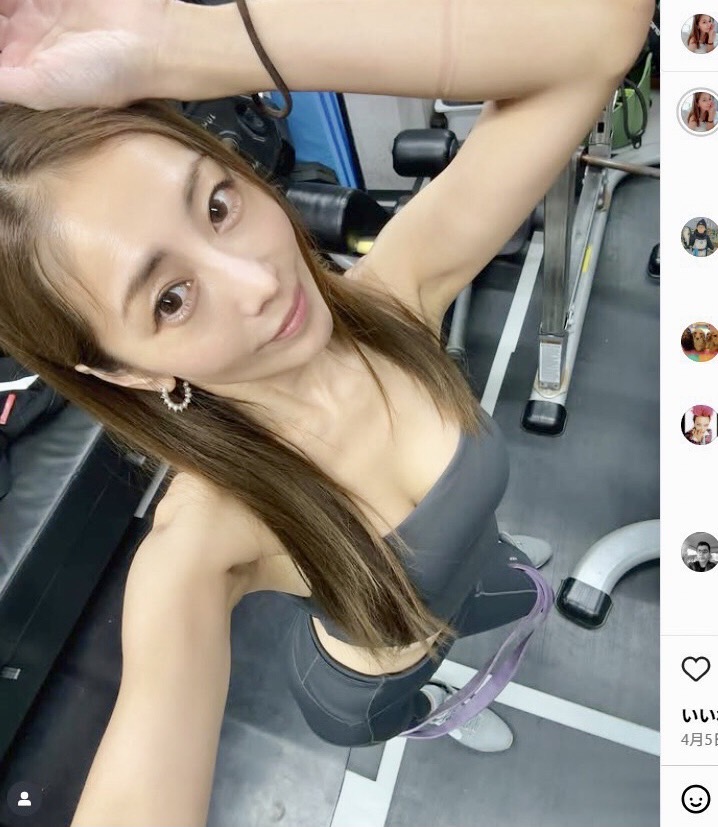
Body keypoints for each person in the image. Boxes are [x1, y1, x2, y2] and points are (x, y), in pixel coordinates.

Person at [0, 0, 654, 824]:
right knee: (413, 700)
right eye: (170, 298)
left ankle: (483, 568)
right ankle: (444, 710)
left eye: (218, 205)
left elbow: (601, 34)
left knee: (490, 573)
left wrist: (175, 42)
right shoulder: (201, 543)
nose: (261, 280)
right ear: (122, 369)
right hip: (376, 682)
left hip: (476, 571)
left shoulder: (396, 293)